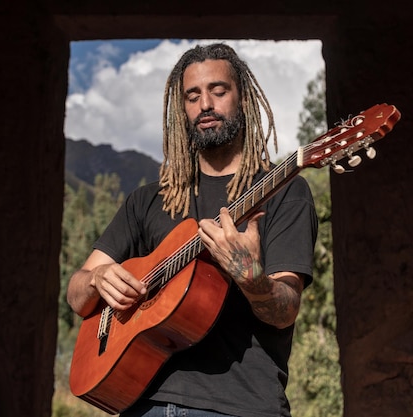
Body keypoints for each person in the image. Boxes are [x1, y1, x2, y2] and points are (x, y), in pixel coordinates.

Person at [67, 43, 318, 417]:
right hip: (141, 404)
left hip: (240, 405)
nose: (205, 105)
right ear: (180, 108)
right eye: (193, 95)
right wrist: (98, 278)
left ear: (243, 99)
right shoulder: (148, 200)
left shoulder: (285, 190)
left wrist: (250, 277)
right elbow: (76, 294)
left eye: (219, 91)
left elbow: (284, 310)